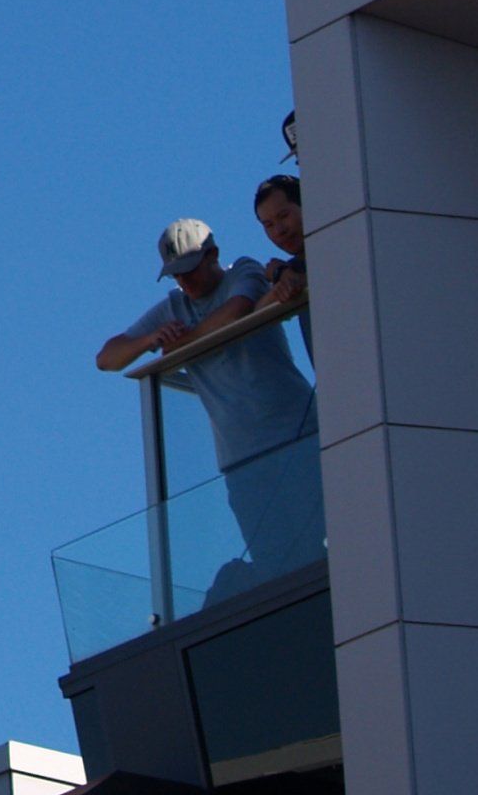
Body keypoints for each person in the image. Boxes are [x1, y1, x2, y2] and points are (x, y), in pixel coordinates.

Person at [97, 218, 321, 593]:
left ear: (213, 255)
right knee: (278, 565)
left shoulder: (243, 271)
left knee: (323, 541)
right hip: (241, 462)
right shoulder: (174, 307)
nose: (184, 282)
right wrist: (151, 339)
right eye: (176, 275)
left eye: (189, 270)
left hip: (299, 436)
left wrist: (181, 345)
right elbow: (107, 358)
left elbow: (235, 311)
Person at [256, 173, 312, 366]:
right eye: (269, 225)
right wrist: (281, 284)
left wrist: (283, 274)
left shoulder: (344, 240)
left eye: (284, 216)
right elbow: (256, 317)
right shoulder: (293, 267)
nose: (279, 230)